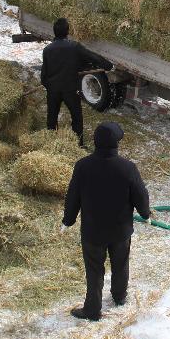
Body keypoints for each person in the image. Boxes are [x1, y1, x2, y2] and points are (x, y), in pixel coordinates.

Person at [62, 121, 151, 321]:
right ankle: (119, 296)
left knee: (94, 271)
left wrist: (68, 220)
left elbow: (73, 196)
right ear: (116, 144)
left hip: (93, 232)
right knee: (120, 264)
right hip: (120, 231)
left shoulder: (83, 166)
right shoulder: (128, 168)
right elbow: (140, 196)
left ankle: (92, 309)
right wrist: (145, 214)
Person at [40, 18, 114, 146]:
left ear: (54, 32)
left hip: (53, 90)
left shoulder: (47, 50)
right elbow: (92, 57)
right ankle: (78, 144)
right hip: (70, 89)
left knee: (52, 117)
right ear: (67, 31)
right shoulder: (74, 47)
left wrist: (49, 86)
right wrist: (108, 65)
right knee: (77, 117)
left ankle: (50, 142)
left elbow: (44, 74)